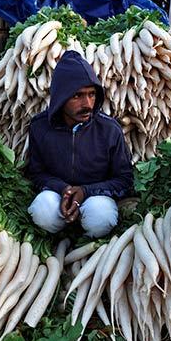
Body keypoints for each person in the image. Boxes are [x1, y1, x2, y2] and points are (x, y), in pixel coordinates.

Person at [26, 50, 133, 238]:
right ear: (60, 96)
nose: (88, 104)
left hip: (95, 196)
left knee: (102, 218)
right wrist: (63, 189)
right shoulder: (40, 127)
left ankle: (85, 236)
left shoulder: (109, 129)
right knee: (42, 211)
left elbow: (124, 179)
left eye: (92, 94)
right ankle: (62, 234)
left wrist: (85, 191)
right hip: (57, 194)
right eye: (77, 96)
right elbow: (36, 173)